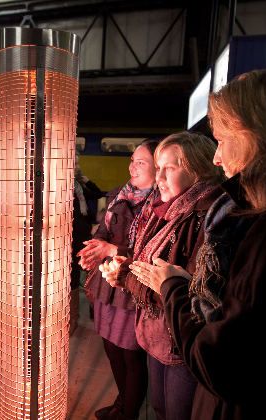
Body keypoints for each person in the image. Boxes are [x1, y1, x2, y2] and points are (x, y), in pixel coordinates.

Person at [136, 67, 266, 419]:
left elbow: (224, 362)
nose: (217, 157)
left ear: (261, 137)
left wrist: (173, 287)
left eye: (221, 139)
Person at [101, 132, 224, 420]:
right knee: (161, 409)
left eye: (169, 168)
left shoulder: (204, 218)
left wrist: (126, 276)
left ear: (200, 169)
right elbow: (155, 269)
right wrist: (128, 266)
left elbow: (183, 290)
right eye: (159, 168)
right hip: (157, 333)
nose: (160, 178)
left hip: (181, 343)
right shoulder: (165, 210)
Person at [78, 139, 160, 420]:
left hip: (132, 288)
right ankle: (122, 402)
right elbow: (102, 230)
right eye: (132, 160)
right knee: (111, 349)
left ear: (157, 169)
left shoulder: (160, 203)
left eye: (141, 162)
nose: (132, 167)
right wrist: (93, 248)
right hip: (106, 286)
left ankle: (129, 412)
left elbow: (153, 251)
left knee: (131, 355)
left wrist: (111, 250)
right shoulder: (117, 194)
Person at [71, 152, 104, 334]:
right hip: (72, 236)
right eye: (74, 164)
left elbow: (98, 193)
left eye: (77, 163)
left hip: (84, 233)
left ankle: (93, 311)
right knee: (74, 275)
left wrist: (87, 180)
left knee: (89, 272)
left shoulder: (79, 186)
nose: (77, 166)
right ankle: (73, 319)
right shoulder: (63, 185)